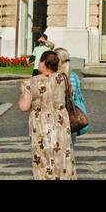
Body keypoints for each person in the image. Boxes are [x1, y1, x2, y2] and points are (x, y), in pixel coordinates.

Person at [17, 50, 76, 180]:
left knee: (43, 159)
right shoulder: (64, 79)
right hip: (61, 124)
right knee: (62, 158)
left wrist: (23, 92)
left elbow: (23, 106)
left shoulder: (33, 82)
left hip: (41, 126)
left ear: (43, 63)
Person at [56, 48, 88, 140]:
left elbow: (69, 96)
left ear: (59, 61)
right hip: (71, 118)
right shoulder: (73, 75)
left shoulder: (63, 77)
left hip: (65, 117)